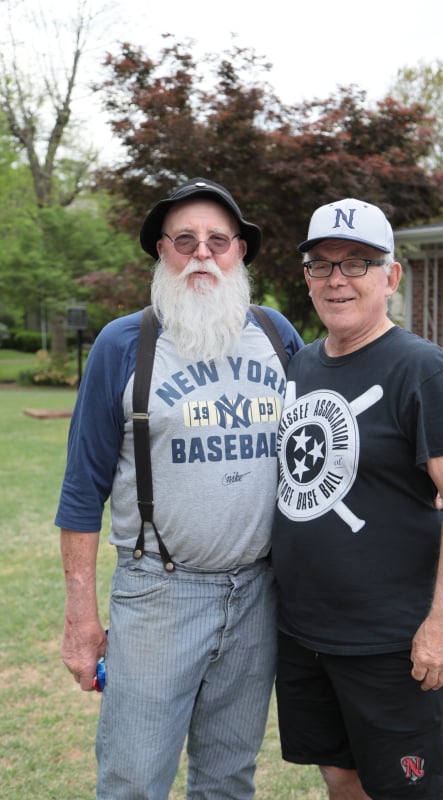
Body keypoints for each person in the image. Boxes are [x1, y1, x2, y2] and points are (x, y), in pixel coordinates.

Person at [55, 177, 303, 800]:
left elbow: (329, 435)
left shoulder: (278, 337)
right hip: (157, 595)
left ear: (240, 252)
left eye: (218, 241)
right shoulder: (124, 344)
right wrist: (81, 617)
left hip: (257, 595)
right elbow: (82, 491)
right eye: (184, 240)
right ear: (160, 252)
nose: (201, 254)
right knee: (133, 781)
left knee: (227, 780)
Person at [271, 197, 443, 800]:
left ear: (390, 277)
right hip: (304, 633)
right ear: (308, 278)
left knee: (408, 792)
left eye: (358, 262)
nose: (337, 279)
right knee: (341, 776)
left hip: (392, 642)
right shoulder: (301, 368)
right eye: (322, 264)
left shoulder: (421, 370)